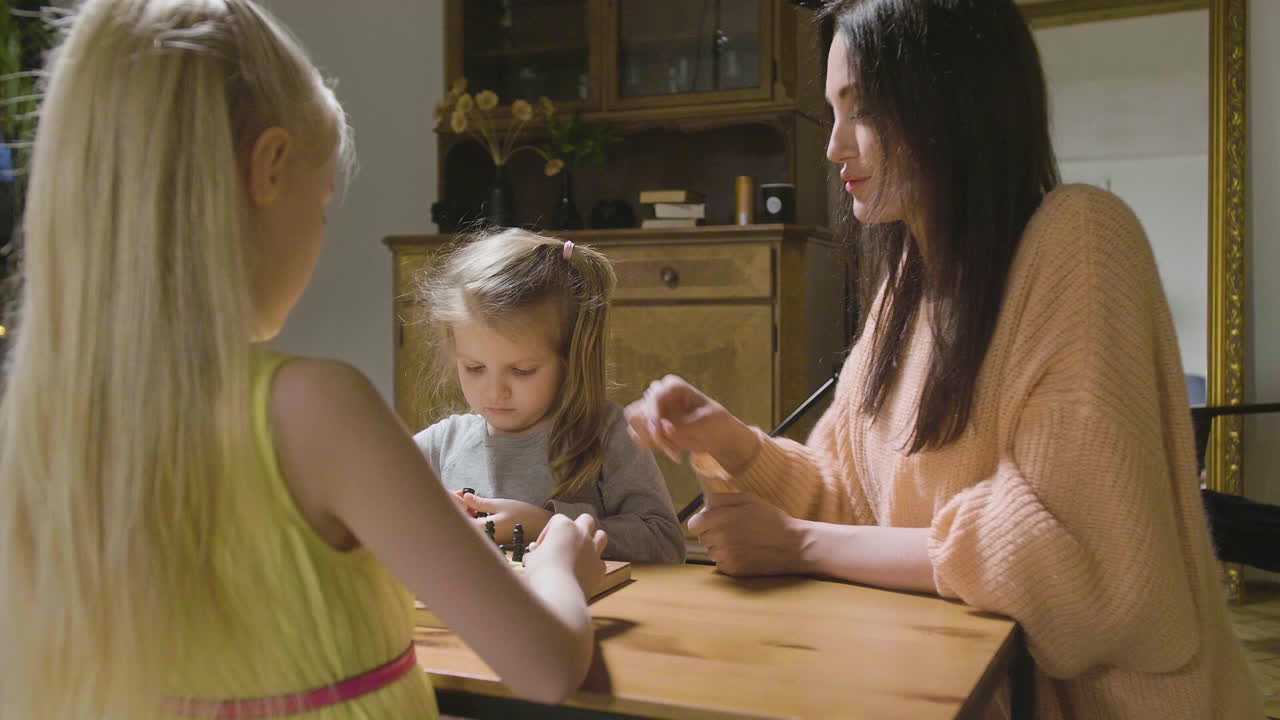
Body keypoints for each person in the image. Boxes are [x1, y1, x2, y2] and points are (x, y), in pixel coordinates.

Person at [625, 0, 1263, 717]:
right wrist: (732, 444)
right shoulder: (908, 285)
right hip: (944, 683)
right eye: (832, 110)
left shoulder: (1080, 239)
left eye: (860, 108)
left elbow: (1066, 562)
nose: (834, 146)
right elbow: (853, 505)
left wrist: (801, 545)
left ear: (953, 103)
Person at [0, 2, 607, 718]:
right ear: (271, 167)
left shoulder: (42, 418)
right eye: (322, 206)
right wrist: (559, 563)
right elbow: (542, 667)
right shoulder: (315, 406)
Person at [413, 228, 685, 563]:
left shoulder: (608, 435)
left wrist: (546, 524)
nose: (495, 391)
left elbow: (665, 545)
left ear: (570, 360)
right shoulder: (441, 446)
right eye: (474, 368)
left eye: (522, 370)